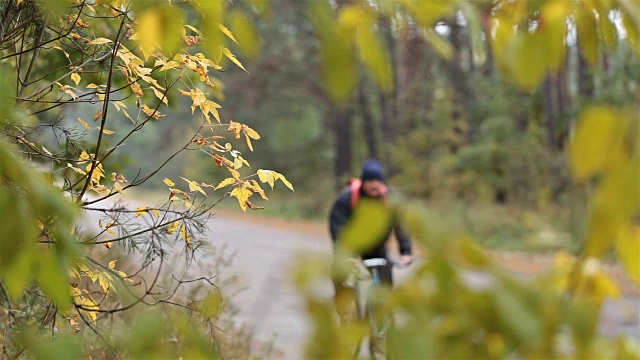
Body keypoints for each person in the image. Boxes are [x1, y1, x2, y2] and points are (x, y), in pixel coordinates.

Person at [328, 159, 413, 320]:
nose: (374, 185)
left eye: (378, 181)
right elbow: (337, 227)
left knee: (385, 284)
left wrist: (406, 252)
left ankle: (379, 325)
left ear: (383, 183)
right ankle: (344, 305)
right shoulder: (347, 199)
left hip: (377, 248)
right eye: (370, 181)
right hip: (351, 247)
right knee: (339, 272)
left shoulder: (391, 199)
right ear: (363, 182)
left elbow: (402, 226)